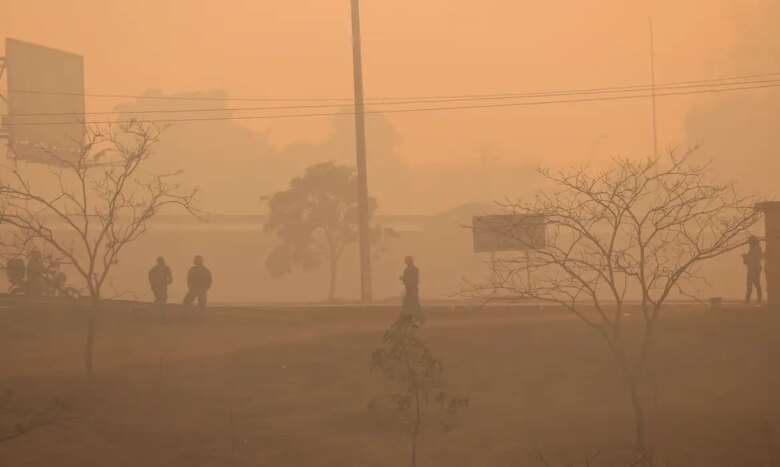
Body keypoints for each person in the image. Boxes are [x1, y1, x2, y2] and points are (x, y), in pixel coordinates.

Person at [743, 235, 764, 304]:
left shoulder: (756, 248)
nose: (749, 243)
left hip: (754, 268)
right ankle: (754, 299)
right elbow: (751, 260)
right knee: (754, 283)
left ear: (753, 241)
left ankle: (751, 299)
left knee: (753, 283)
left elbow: (752, 259)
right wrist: (745, 258)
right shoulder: (755, 248)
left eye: (750, 241)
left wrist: (745, 257)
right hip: (754, 268)